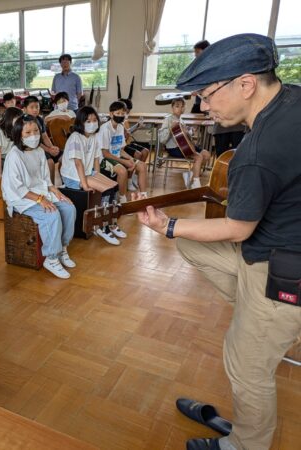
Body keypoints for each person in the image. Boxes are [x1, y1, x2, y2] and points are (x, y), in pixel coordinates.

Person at [137, 34, 301, 450]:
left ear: (246, 84)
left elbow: (237, 229)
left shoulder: (256, 152)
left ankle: (245, 444)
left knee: (247, 367)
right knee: (192, 245)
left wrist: (167, 226)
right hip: (281, 243)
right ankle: (257, 315)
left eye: (207, 96)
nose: (203, 106)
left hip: (282, 268)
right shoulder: (293, 99)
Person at [2, 114, 76, 279]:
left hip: (41, 192)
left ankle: (62, 248)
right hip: (21, 198)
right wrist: (40, 199)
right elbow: (17, 188)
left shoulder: (40, 151)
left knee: (69, 208)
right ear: (19, 135)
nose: (34, 135)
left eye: (36, 131)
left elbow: (46, 180)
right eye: (28, 133)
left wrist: (58, 193)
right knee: (52, 214)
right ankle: (51, 258)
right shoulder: (14, 155)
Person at [60, 106, 126, 245]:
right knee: (107, 190)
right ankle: (101, 226)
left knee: (114, 187)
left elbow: (96, 159)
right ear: (81, 122)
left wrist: (98, 176)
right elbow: (78, 163)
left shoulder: (94, 137)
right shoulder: (75, 138)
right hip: (73, 176)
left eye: (95, 120)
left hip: (87, 172)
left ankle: (111, 223)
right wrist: (85, 185)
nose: (92, 123)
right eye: (88, 121)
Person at [98, 101, 148, 203]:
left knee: (142, 166)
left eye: (123, 113)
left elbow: (120, 150)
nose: (120, 116)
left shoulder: (120, 127)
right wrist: (125, 162)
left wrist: (130, 159)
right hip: (104, 159)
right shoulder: (105, 129)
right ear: (111, 114)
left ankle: (144, 197)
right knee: (122, 171)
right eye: (118, 113)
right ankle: (122, 199)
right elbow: (105, 153)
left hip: (116, 156)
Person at [158, 97, 211, 189]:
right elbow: (162, 139)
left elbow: (185, 136)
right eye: (177, 106)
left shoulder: (181, 120)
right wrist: (170, 129)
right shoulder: (168, 120)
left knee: (206, 154)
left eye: (182, 106)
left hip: (184, 146)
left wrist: (190, 131)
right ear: (172, 108)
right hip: (173, 148)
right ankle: (195, 182)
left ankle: (190, 174)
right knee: (198, 157)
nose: (180, 108)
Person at [23, 96, 61, 184]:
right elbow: (35, 142)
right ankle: (51, 185)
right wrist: (48, 150)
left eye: (37, 107)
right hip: (33, 148)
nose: (35, 110)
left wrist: (52, 147)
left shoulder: (39, 119)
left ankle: (65, 183)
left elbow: (45, 136)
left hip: (43, 147)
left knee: (64, 157)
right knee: (50, 163)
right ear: (25, 109)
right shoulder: (24, 121)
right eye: (32, 107)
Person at [120, 98, 150, 165]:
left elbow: (128, 132)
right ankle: (134, 170)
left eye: (128, 112)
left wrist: (138, 126)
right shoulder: (117, 122)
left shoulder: (124, 121)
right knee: (138, 154)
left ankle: (139, 169)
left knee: (145, 151)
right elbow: (126, 134)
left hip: (126, 144)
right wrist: (136, 126)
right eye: (126, 112)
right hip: (120, 146)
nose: (127, 114)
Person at [191, 40, 210, 114]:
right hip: (198, 102)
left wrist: (199, 91)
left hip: (208, 103)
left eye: (197, 52)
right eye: (195, 52)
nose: (195, 55)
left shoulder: (211, 66)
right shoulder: (199, 67)